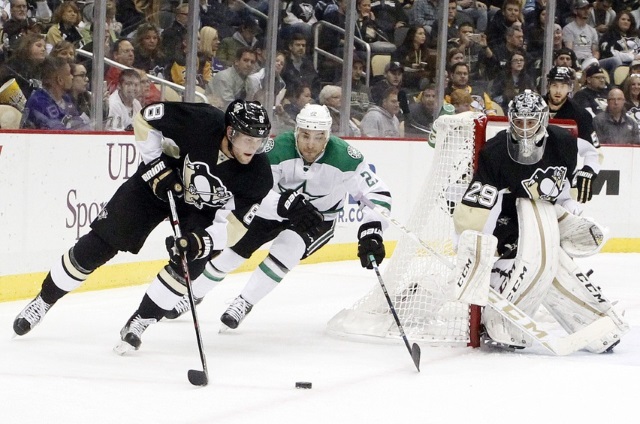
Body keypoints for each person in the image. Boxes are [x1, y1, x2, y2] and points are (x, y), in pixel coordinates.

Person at [13, 100, 274, 349]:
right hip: (155, 185)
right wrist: (155, 167)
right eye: (247, 139)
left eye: (259, 141)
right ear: (230, 131)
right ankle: (43, 301)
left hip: (201, 212)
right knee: (100, 243)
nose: (253, 147)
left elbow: (235, 227)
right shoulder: (202, 120)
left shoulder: (259, 176)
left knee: (189, 264)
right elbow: (145, 118)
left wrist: (200, 242)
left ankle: (141, 321)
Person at [163, 104, 391, 332]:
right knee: (233, 251)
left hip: (317, 219)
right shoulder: (276, 149)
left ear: (328, 136)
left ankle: (244, 302)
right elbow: (257, 191)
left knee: (287, 247)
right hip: (274, 210)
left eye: (319, 137)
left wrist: (372, 228)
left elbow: (377, 194)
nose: (310, 144)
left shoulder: (346, 158)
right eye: (305, 135)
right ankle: (194, 293)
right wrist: (283, 206)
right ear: (296, 132)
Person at [452, 89, 629, 353]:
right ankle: (498, 319)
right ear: (511, 119)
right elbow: (475, 211)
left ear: (543, 120)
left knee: (551, 259)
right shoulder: (496, 151)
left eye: (530, 121)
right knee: (539, 261)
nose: (524, 128)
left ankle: (591, 321)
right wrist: (471, 247)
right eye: (519, 121)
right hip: (508, 222)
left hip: (545, 219)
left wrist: (573, 202)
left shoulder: (563, 142)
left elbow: (587, 160)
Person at [24, 56, 88, 130]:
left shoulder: (66, 98)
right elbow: (56, 132)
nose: (72, 77)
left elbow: (79, 123)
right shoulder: (39, 102)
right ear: (60, 80)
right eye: (69, 74)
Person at [544, 66, 600, 147]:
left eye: (563, 86)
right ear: (548, 86)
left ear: (570, 88)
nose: (558, 91)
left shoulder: (581, 115)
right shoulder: (535, 107)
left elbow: (594, 150)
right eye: (554, 85)